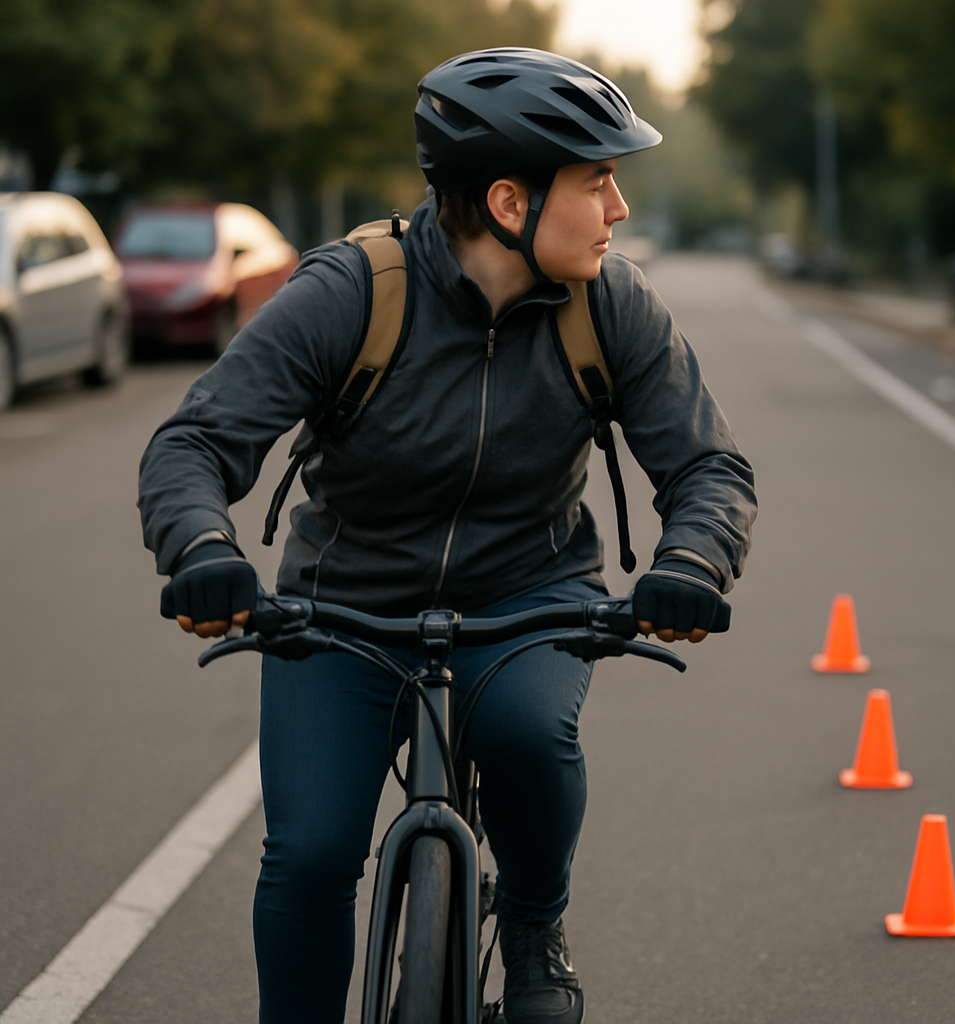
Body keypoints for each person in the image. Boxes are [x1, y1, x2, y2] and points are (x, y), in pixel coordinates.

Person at [139, 47, 756, 1024]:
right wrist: (204, 551)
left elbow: (707, 464)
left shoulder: (611, 303)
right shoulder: (352, 293)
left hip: (528, 591)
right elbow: (196, 441)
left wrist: (690, 560)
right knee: (311, 853)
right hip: (342, 602)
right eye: (597, 181)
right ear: (510, 202)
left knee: (524, 731)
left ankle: (532, 924)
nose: (618, 210)